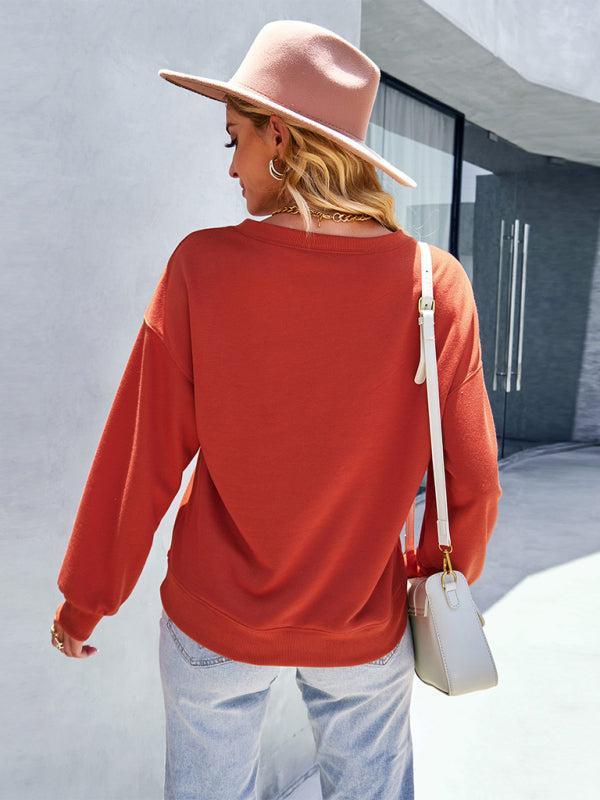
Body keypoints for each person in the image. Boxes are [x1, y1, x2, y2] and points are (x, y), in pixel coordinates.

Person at [50, 20, 502, 800]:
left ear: (281, 137)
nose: (231, 165)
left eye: (236, 139)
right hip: (362, 624)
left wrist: (87, 600)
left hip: (215, 620)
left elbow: (142, 454)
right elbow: (475, 480)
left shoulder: (202, 267)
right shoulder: (433, 284)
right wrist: (428, 584)